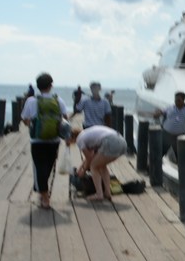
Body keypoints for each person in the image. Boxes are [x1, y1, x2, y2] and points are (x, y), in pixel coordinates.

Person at [21, 72, 68, 209]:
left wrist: (31, 124)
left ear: (38, 86)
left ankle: (45, 198)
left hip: (37, 141)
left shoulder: (31, 101)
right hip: (54, 140)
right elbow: (65, 118)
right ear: (51, 85)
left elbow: (24, 119)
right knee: (48, 167)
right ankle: (44, 194)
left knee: (40, 167)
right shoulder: (58, 100)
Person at [68, 126, 126, 201]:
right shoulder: (86, 134)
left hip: (110, 142)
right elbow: (91, 156)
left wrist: (83, 171)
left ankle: (99, 194)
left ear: (72, 137)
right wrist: (80, 168)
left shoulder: (79, 139)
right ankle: (107, 192)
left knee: (93, 166)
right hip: (121, 142)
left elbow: (89, 158)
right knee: (101, 166)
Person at [155, 91, 185, 157]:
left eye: (178, 100)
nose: (176, 102)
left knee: (180, 155)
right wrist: (157, 114)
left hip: (179, 136)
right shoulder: (170, 107)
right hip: (167, 134)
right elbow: (161, 111)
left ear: (183, 100)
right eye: (175, 100)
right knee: (160, 152)